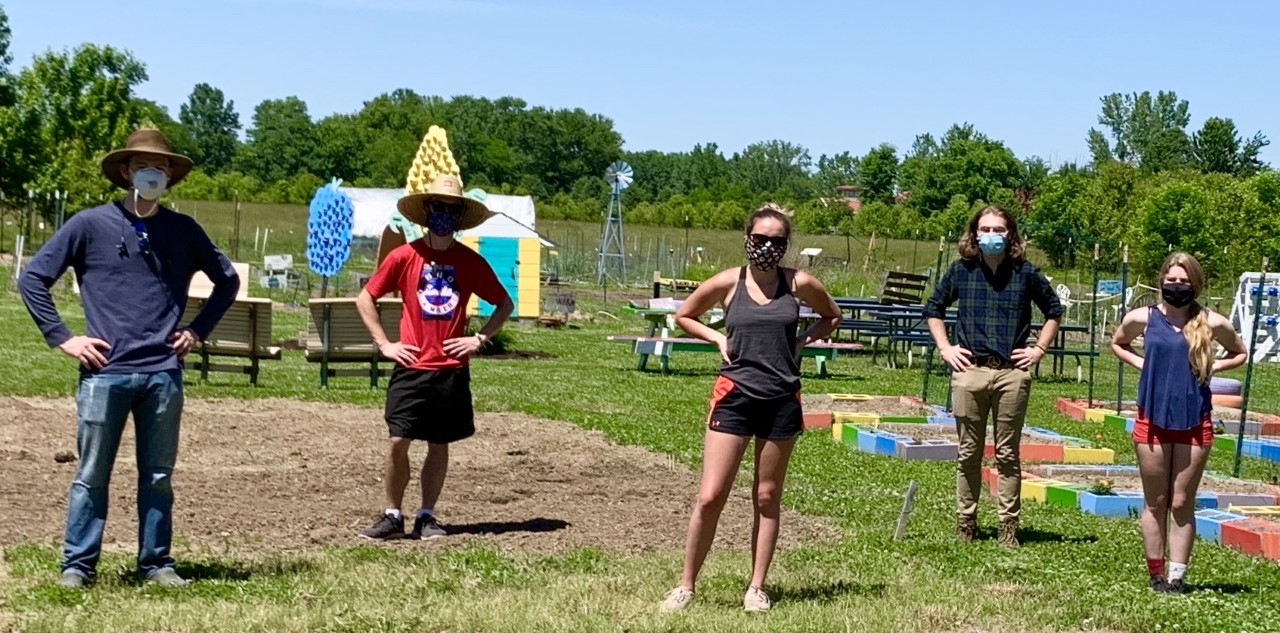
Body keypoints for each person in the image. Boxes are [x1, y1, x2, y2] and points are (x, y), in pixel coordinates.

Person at [18, 129, 240, 588]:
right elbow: (33, 279)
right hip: (104, 374)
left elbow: (227, 280)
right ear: (124, 171)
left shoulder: (183, 231)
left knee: (158, 476)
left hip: (163, 374)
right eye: (143, 165)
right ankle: (77, 566)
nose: (152, 173)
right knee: (91, 474)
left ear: (170, 176)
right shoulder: (88, 224)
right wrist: (64, 337)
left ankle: (156, 563)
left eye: (161, 167)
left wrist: (197, 331)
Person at [660, 204, 842, 613]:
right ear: (747, 237)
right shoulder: (729, 281)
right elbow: (685, 315)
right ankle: (686, 585)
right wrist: (717, 338)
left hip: (781, 398)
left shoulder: (799, 283)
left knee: (766, 496)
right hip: (735, 395)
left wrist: (801, 342)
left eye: (776, 241)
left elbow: (832, 316)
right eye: (759, 238)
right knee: (710, 496)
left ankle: (756, 587)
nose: (766, 247)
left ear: (786, 246)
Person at [356, 174, 513, 541]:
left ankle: (427, 516)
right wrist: (385, 344)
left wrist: (479, 338)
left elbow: (504, 303)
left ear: (460, 216)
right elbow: (365, 298)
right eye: (438, 207)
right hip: (410, 365)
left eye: (452, 209)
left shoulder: (470, 262)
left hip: (450, 370)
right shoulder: (404, 256)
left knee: (439, 443)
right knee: (398, 439)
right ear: (426, 211)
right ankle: (392, 514)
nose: (444, 214)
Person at [924, 205, 1062, 548]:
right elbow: (934, 308)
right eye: (984, 229)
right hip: (969, 372)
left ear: (1010, 234)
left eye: (997, 229)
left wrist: (1039, 349)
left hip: (1011, 374)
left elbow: (1054, 311)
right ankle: (966, 521)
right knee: (968, 452)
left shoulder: (1026, 273)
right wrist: (945, 348)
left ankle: (1007, 527)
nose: (990, 235)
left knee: (1007, 454)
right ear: (974, 234)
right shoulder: (961, 271)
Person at [1111, 252, 1246, 593]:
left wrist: (1213, 368)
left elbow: (1240, 352)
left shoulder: (1213, 323)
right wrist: (1143, 364)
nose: (1177, 286)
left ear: (1195, 285)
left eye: (1184, 281)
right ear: (1161, 281)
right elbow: (1118, 342)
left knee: (1182, 501)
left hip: (1194, 421)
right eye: (1171, 280)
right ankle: (1155, 573)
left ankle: (1177, 576)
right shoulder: (1143, 317)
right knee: (1155, 501)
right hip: (1152, 419)